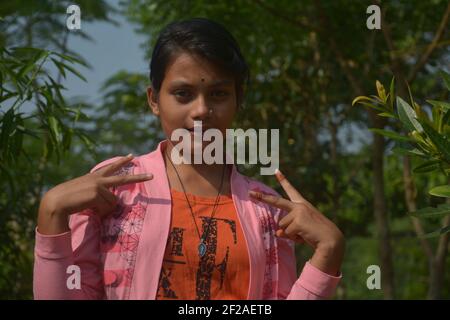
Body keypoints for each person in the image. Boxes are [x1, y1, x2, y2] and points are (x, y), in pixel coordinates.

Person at [34, 17, 344, 300]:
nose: (200, 110)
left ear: (239, 100)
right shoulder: (113, 188)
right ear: (154, 100)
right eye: (183, 94)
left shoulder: (267, 210)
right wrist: (51, 213)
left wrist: (328, 252)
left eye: (219, 94)